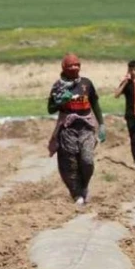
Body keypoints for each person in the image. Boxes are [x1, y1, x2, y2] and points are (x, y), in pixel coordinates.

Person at [48, 53, 106, 206]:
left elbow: (95, 103)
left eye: (77, 65)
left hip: (86, 127)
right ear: (64, 68)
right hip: (68, 129)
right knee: (70, 163)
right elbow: (50, 109)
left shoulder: (86, 83)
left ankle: (84, 186)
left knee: (87, 160)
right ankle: (76, 194)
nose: (74, 68)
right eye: (70, 65)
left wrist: (102, 124)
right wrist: (61, 101)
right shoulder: (58, 86)